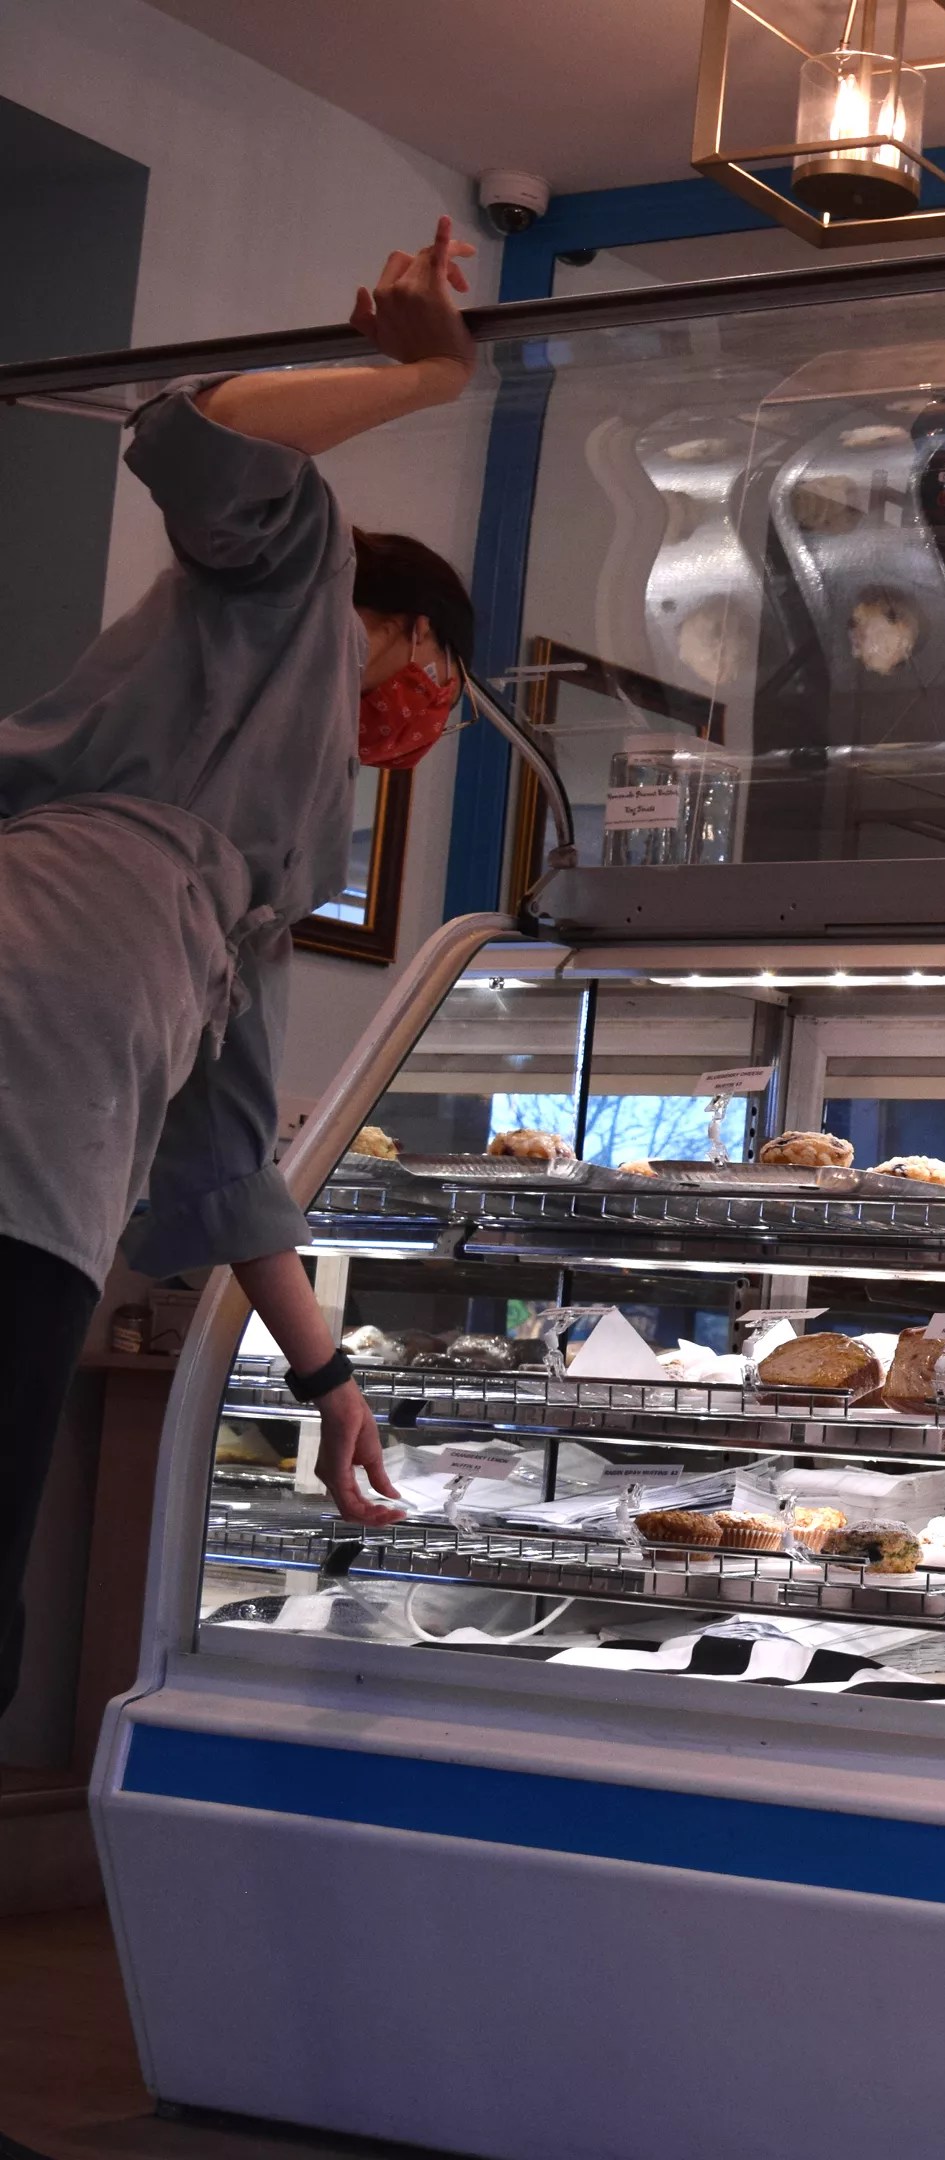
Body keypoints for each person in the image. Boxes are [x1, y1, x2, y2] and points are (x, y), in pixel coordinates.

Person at [0, 219, 482, 1712]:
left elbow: (223, 1152)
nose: (423, 712)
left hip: (68, 1114)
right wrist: (428, 378)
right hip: (37, 1020)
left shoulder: (258, 873)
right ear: (406, 630)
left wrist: (326, 1380)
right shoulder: (297, 585)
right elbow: (204, 436)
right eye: (440, 677)